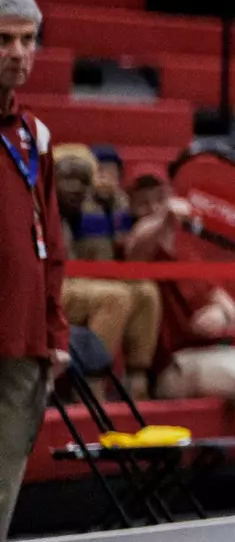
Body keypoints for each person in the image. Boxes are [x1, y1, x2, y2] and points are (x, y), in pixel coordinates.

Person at [127, 174, 235, 510]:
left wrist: (222, 313)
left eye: (158, 198)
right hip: (173, 367)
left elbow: (225, 301)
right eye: (142, 203)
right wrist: (164, 215)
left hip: (210, 354)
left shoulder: (188, 250)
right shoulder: (135, 247)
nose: (152, 207)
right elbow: (137, 244)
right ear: (130, 207)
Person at [0, 0, 70, 541]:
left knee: (4, 479)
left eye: (26, 41)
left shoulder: (34, 137)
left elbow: (51, 245)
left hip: (23, 342)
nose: (18, 53)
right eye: (3, 41)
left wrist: (55, 330)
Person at [55, 143, 161, 398]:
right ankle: (89, 383)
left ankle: (137, 377)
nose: (77, 189)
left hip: (89, 280)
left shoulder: (113, 205)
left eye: (82, 181)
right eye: (68, 180)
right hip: (56, 286)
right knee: (114, 297)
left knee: (146, 291)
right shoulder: (48, 208)